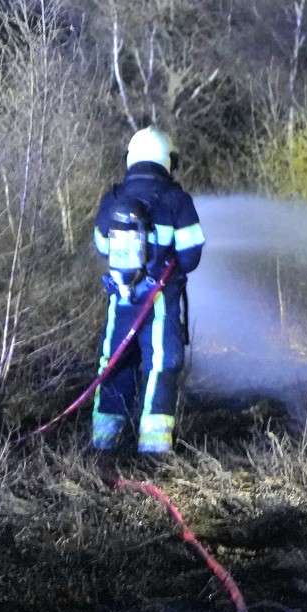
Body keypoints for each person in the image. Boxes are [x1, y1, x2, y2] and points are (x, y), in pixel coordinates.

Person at [90, 126, 205, 454]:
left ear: (131, 158)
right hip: (160, 304)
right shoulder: (177, 201)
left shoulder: (112, 199)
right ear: (168, 161)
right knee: (161, 365)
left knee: (114, 364)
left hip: (120, 302)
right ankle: (154, 449)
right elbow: (191, 256)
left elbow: (101, 245)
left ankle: (104, 443)